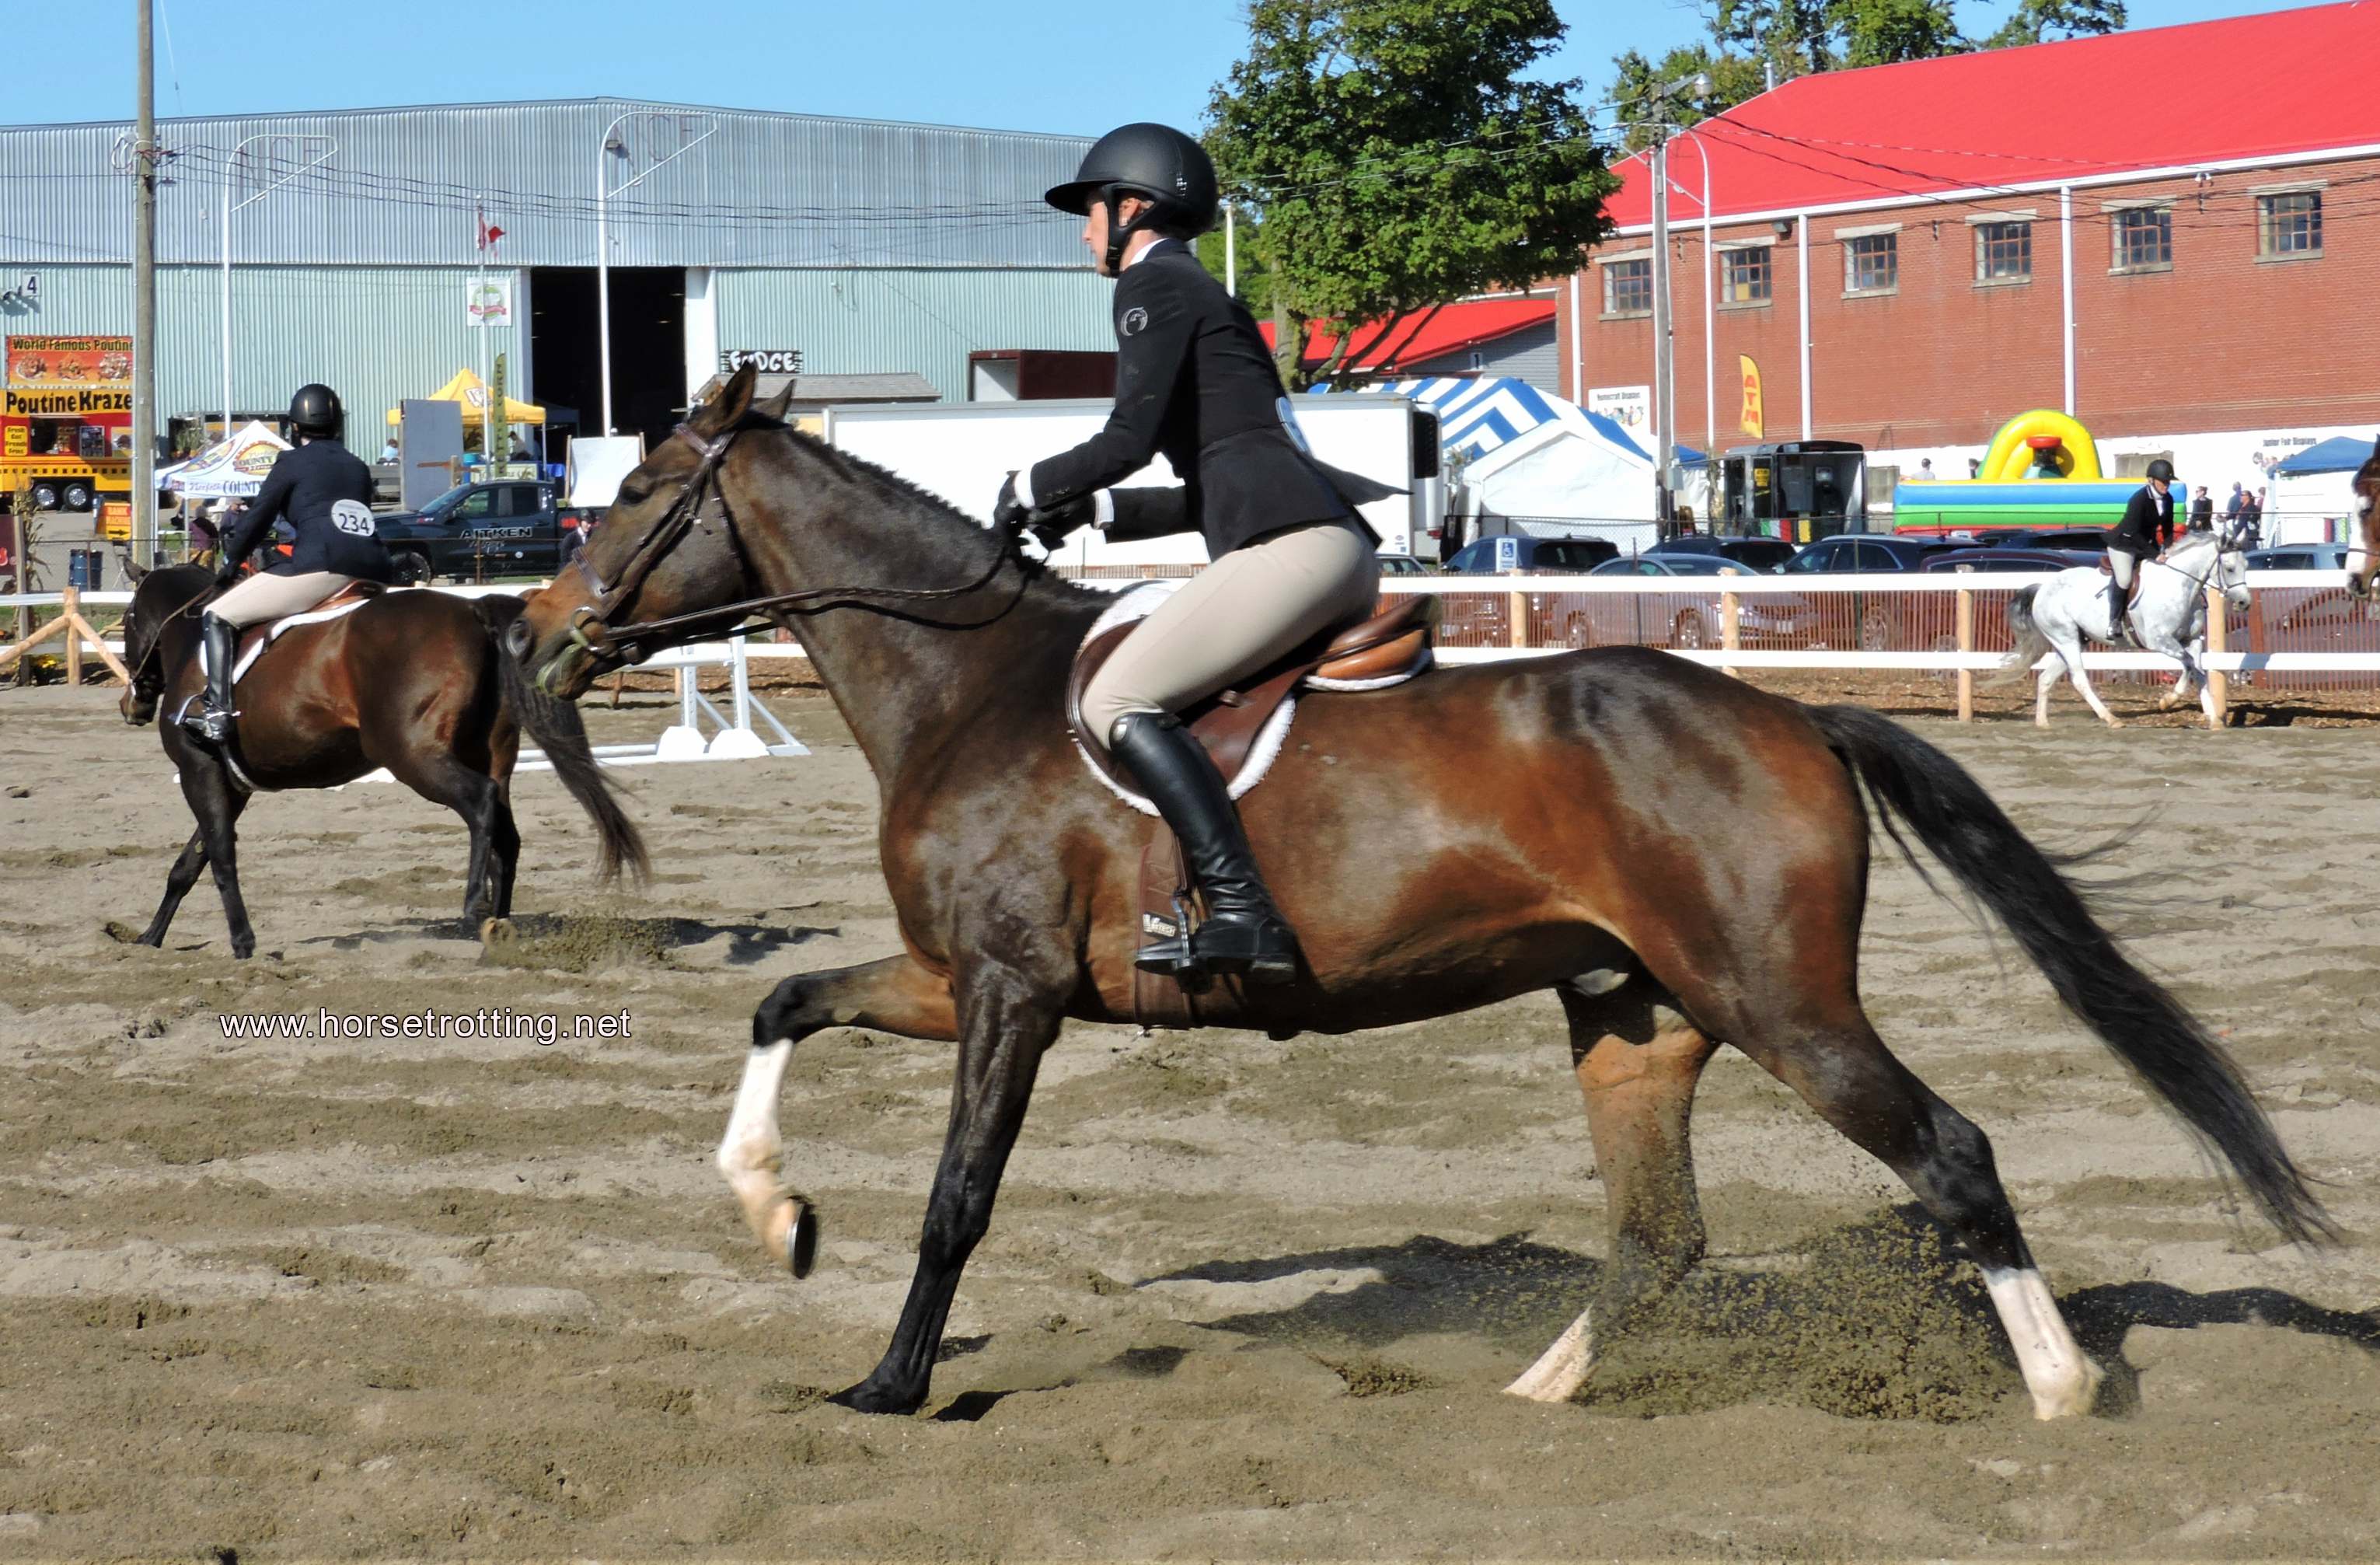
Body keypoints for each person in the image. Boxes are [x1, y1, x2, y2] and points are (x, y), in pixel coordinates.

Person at [993, 122, 1382, 985]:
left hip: (1294, 548)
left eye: (1090, 213)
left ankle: (1242, 911)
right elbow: (1209, 482)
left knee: (1115, 696)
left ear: (1130, 207)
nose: (1084, 231)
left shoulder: (1152, 288)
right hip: (1317, 541)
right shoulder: (1198, 293)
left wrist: (1027, 486)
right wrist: (1093, 505)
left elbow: (1127, 436)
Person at [180, 384, 391, 748]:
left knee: (217, 614)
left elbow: (258, 517)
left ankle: (217, 711)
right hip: (375, 568)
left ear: (294, 427)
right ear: (338, 424)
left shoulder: (291, 462)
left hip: (322, 568)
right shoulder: (357, 466)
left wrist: (231, 561)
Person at [2106, 458, 2177, 643]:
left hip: (2145, 543)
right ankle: (2114, 621)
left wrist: (2168, 546)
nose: (2167, 486)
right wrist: (2155, 554)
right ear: (2151, 480)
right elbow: (2133, 533)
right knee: (2124, 579)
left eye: (2169, 482)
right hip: (2124, 543)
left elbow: (2168, 526)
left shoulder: (2168, 499)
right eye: (2164, 482)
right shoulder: (2139, 499)